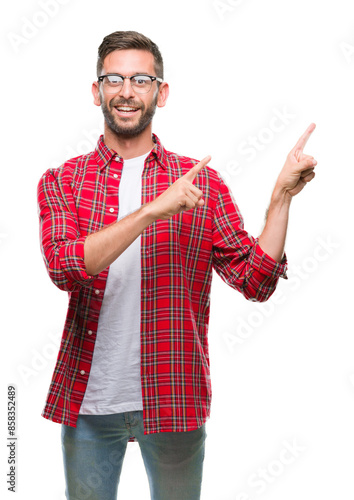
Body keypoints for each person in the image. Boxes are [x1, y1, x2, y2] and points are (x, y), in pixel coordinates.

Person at [37, 30, 317, 500]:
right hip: (89, 402)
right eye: (114, 79)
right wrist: (151, 210)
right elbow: (65, 268)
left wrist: (281, 196)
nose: (127, 91)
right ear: (96, 91)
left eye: (141, 79)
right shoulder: (61, 180)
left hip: (174, 399)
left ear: (160, 92)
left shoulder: (199, 182)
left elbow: (256, 280)